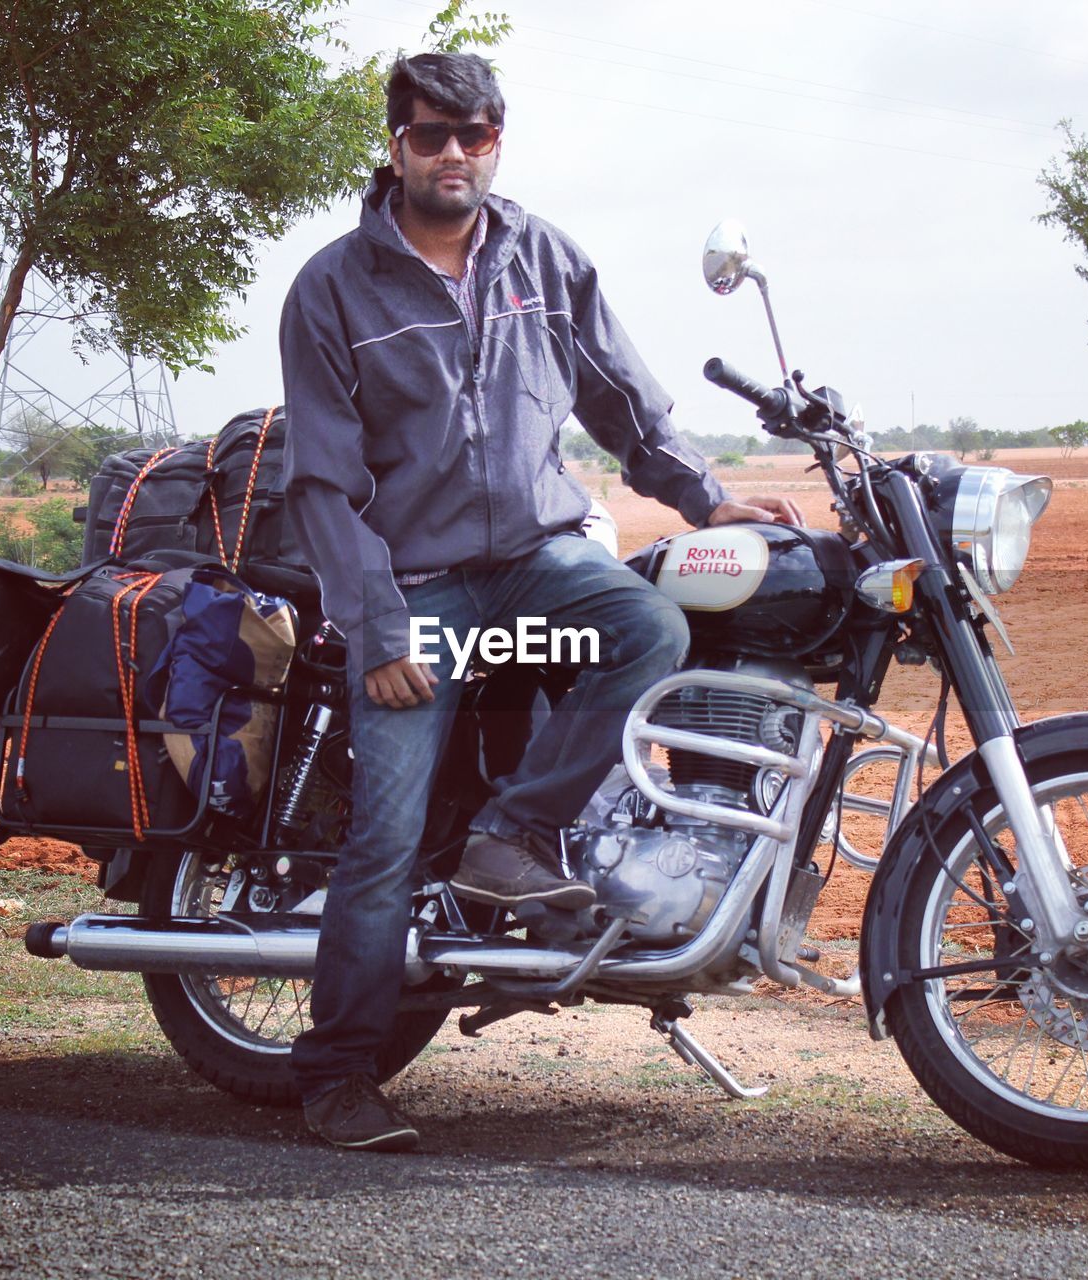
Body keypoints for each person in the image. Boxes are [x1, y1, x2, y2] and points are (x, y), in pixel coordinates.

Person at [280, 51, 803, 1153]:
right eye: (431, 135)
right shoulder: (332, 288)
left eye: (474, 134)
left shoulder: (542, 257)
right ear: (395, 145)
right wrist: (377, 630)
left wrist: (707, 498)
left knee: (649, 624)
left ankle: (513, 829)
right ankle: (335, 1073)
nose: (454, 154)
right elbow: (321, 484)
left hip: (531, 565)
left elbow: (621, 399)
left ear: (497, 139)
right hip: (415, 589)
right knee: (384, 830)